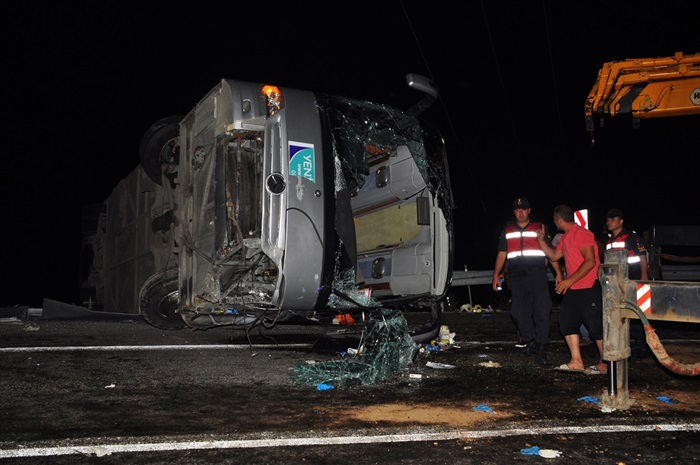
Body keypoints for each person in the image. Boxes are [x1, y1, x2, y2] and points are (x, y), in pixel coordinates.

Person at [536, 204, 606, 375]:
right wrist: (540, 239)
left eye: (554, 219)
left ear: (559, 219)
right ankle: (576, 361)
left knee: (595, 327)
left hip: (589, 286)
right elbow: (553, 255)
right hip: (574, 288)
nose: (554, 222)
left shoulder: (582, 234)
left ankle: (606, 363)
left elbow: (590, 262)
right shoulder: (567, 237)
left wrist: (568, 281)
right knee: (566, 322)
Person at [492, 197, 562, 366]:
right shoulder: (507, 230)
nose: (520, 213)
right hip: (516, 277)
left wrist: (558, 273)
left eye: (523, 209)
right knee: (518, 312)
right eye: (517, 210)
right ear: (514, 212)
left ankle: (541, 346)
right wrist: (496, 274)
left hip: (537, 274)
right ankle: (529, 340)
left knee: (542, 311)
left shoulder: (540, 227)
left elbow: (550, 252)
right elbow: (502, 254)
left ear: (529, 210)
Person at [603, 208, 649, 356]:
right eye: (608, 220)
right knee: (622, 310)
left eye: (613, 219)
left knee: (635, 309)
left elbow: (642, 256)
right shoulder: (609, 240)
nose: (609, 222)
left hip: (633, 278)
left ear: (621, 221)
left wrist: (644, 275)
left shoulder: (631, 237)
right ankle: (631, 339)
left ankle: (642, 342)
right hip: (617, 282)